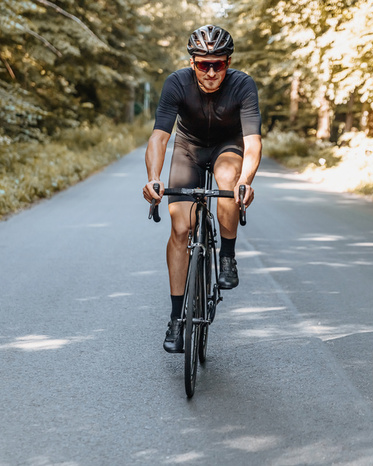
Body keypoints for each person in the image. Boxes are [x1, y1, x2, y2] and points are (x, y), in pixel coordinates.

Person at [142, 24, 262, 353]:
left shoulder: (243, 86)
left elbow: (252, 143)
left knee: (226, 178)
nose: (210, 72)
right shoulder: (176, 84)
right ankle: (177, 319)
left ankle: (227, 256)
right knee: (181, 227)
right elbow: (159, 137)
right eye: (202, 64)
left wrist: (245, 181)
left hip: (227, 146)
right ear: (192, 62)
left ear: (229, 62)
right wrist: (154, 177)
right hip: (188, 149)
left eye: (218, 64)